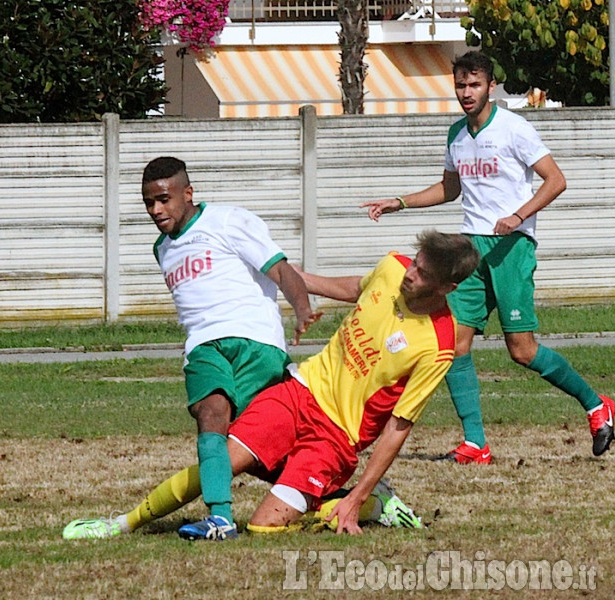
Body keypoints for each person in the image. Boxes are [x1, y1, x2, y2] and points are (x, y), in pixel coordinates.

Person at [64, 230, 480, 539]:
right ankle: (120, 524)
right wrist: (298, 279)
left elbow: (398, 429)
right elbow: (358, 287)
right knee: (220, 464)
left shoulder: (438, 345)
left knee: (263, 527)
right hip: (298, 393)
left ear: (447, 288)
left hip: (336, 438)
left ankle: (372, 502)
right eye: (414, 262)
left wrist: (357, 497)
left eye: (422, 274)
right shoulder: (391, 267)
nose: (410, 274)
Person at [362, 51, 614, 464]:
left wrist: (518, 216)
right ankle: (476, 443)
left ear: (490, 86)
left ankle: (596, 405)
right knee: (455, 345)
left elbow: (557, 180)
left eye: (474, 84)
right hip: (470, 251)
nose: (466, 92)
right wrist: (399, 202)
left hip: (511, 248)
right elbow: (450, 188)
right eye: (460, 85)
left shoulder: (514, 128)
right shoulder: (456, 135)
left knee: (522, 350)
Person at [64, 156, 320, 540]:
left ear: (188, 193)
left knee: (253, 449)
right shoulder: (162, 249)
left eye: (164, 199)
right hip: (203, 346)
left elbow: (281, 269)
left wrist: (302, 309)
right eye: (149, 202)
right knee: (211, 412)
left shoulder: (229, 221)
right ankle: (220, 519)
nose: (156, 210)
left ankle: (336, 492)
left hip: (257, 343)